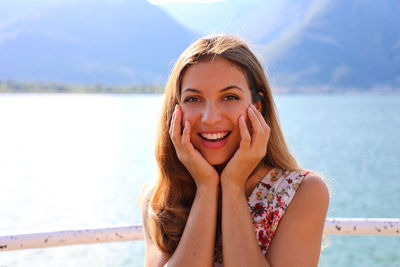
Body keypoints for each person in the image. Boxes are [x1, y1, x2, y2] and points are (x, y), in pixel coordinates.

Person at [140, 34, 329, 267]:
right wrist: (206, 188)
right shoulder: (161, 197)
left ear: (256, 107)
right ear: (176, 111)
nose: (210, 118)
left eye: (229, 97)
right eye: (193, 99)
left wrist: (232, 186)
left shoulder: (302, 193)